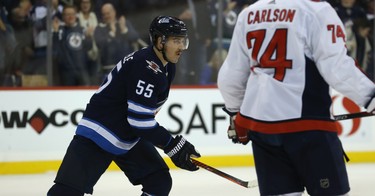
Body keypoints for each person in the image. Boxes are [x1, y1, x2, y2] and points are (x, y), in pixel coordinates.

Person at [217, 0, 375, 196]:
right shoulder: (317, 10)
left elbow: (230, 76)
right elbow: (338, 69)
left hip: (263, 130)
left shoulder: (250, 13)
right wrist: (371, 97)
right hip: (308, 126)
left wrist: (235, 114)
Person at [47, 15, 201, 196]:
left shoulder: (166, 66)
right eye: (176, 41)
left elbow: (140, 120)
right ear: (160, 41)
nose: (181, 47)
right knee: (66, 192)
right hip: (100, 132)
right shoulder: (146, 67)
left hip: (127, 135)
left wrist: (172, 145)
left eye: (183, 41)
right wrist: (171, 144)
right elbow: (139, 121)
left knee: (158, 181)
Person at [94, 3, 140, 80]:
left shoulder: (124, 23)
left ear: (114, 12)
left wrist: (124, 30)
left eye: (108, 13)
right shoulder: (99, 28)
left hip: (127, 67)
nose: (106, 16)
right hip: (109, 69)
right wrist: (111, 33)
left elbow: (135, 37)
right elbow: (99, 44)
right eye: (104, 14)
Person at [52, 5, 92, 86]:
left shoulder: (82, 30)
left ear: (76, 15)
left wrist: (88, 37)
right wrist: (55, 33)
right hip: (66, 73)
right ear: (63, 17)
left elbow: (89, 48)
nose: (70, 16)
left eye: (72, 14)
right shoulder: (59, 31)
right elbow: (55, 51)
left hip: (82, 71)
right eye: (67, 14)